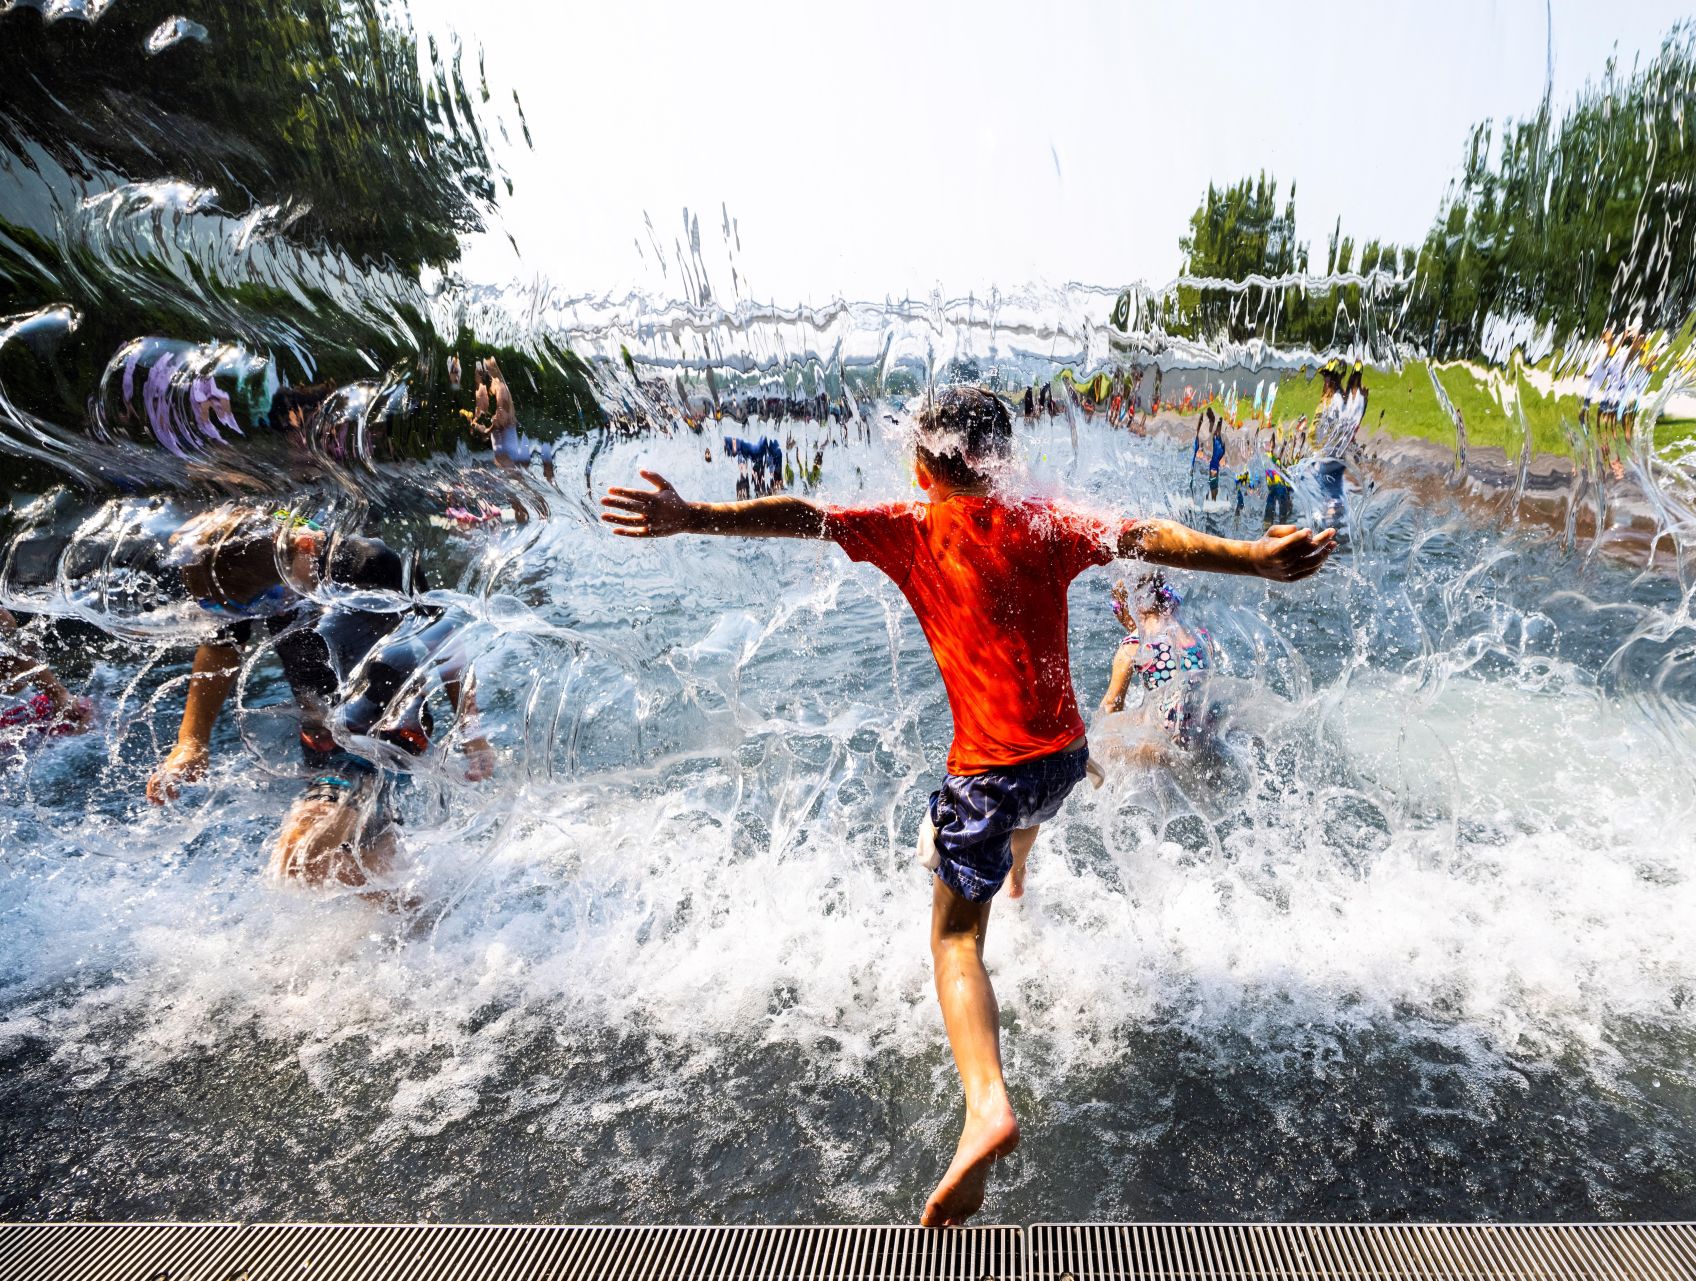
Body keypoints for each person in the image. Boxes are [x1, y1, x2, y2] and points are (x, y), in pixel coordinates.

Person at [599, 385, 1335, 1228]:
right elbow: (1144, 536)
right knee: (1019, 813)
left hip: (987, 777)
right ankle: (1014, 868)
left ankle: (985, 1103)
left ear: (921, 463)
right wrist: (1253, 557)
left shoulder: (908, 528)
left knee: (954, 936)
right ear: (1002, 457)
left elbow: (804, 513)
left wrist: (692, 515)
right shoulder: (1045, 521)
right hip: (1063, 760)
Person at [147, 505, 492, 892]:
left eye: (276, 597)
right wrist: (191, 744)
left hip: (387, 734)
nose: (274, 610)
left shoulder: (370, 564)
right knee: (364, 867)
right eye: (252, 610)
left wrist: (472, 733)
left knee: (303, 851)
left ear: (307, 546)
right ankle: (424, 935)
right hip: (323, 740)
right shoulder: (253, 570)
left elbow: (445, 643)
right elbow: (221, 650)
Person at [1098, 573, 1220, 762]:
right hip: (1204, 732)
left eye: (1115, 609)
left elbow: (1110, 706)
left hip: (1164, 743)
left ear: (1129, 605)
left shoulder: (1133, 644)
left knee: (1102, 740)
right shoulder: (1201, 634)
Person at [0, 608, 92, 753]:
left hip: (18, 706)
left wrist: (58, 694)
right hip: (12, 717)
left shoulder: (1, 616)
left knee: (83, 713)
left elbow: (17, 650)